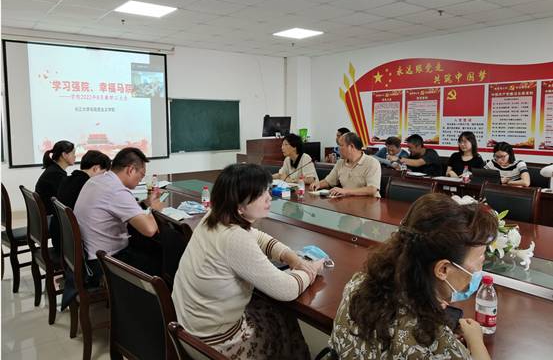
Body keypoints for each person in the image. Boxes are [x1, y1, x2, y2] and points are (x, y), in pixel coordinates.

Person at [172, 164, 324, 359]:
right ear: (240, 206)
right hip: (214, 346)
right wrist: (310, 270)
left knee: (274, 310)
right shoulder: (234, 238)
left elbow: (257, 236)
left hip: (189, 330)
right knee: (282, 315)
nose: (269, 197)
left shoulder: (216, 216)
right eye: (261, 194)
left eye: (267, 190)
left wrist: (290, 256)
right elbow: (286, 290)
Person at [329, 193, 497, 360]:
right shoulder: (434, 343)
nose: (480, 268)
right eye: (480, 259)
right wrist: (476, 341)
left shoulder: (358, 283)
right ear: (443, 269)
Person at [74, 147, 164, 280]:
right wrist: (155, 209)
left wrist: (145, 203)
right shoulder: (117, 190)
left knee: (147, 246)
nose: (140, 180)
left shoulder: (96, 180)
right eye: (142, 175)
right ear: (131, 170)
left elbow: (115, 207)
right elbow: (149, 229)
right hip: (104, 262)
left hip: (89, 255)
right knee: (162, 257)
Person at [35, 140, 76, 254]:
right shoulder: (56, 174)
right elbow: (65, 200)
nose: (75, 156)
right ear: (64, 155)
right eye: (73, 153)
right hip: (50, 219)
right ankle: (72, 255)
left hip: (46, 216)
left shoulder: (54, 170)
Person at [311, 132, 381, 198]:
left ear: (351, 146)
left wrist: (346, 191)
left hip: (369, 203)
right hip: (348, 202)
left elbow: (372, 189)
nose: (338, 149)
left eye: (341, 145)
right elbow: (329, 181)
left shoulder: (372, 163)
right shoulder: (340, 162)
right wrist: (318, 184)